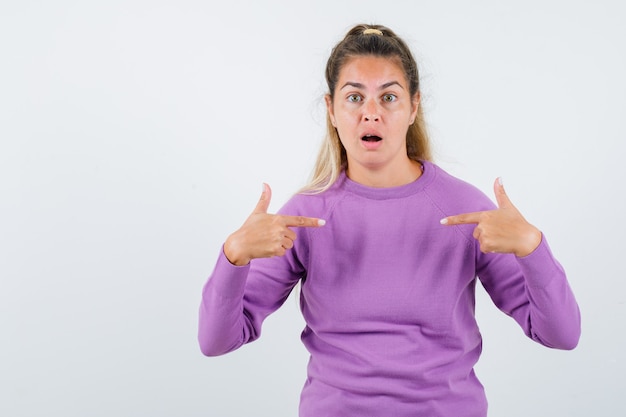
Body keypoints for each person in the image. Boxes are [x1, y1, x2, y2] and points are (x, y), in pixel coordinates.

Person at [198, 23, 581, 417]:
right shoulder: (305, 216)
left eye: (389, 97)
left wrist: (532, 247)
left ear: (414, 107)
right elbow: (216, 341)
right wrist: (234, 255)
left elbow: (561, 334)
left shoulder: (465, 208)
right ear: (331, 110)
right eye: (354, 97)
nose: (371, 114)